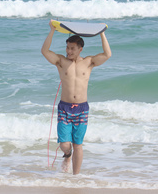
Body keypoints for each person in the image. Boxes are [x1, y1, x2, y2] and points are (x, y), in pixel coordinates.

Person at [41, 20, 112, 175]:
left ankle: (76, 177)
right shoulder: (61, 62)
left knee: (78, 144)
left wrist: (102, 33)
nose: (69, 51)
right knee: (65, 144)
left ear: (80, 49)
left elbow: (107, 54)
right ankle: (67, 154)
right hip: (65, 107)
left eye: (72, 48)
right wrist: (52, 30)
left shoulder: (89, 62)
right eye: (67, 47)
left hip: (81, 108)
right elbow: (45, 51)